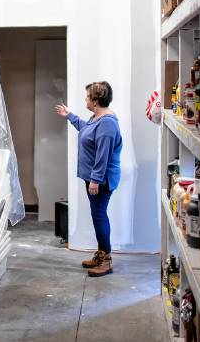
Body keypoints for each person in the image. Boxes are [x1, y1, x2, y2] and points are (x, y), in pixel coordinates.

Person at [54, 81, 122, 277]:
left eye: (87, 97)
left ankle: (106, 260)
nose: (85, 99)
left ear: (95, 100)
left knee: (99, 216)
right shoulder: (97, 118)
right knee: (97, 215)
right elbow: (86, 130)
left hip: (101, 180)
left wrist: (95, 180)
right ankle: (101, 254)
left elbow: (103, 155)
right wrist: (70, 116)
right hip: (95, 178)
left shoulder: (107, 123)